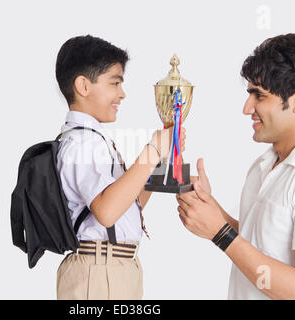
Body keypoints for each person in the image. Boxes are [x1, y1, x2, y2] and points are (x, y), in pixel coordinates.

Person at [176, 33, 295, 299]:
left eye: (259, 96)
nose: (246, 107)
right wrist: (212, 210)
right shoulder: (264, 164)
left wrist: (220, 233)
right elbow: (262, 244)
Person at [55, 35, 185, 299]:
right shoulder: (82, 142)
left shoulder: (94, 139)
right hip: (100, 271)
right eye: (115, 83)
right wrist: (153, 150)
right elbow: (107, 212)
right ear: (83, 85)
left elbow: (129, 203)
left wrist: (160, 159)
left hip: (114, 267)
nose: (122, 93)